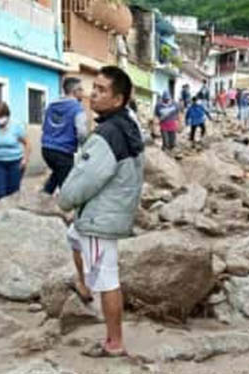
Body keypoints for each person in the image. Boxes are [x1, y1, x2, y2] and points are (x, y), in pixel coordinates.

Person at [58, 66, 144, 357]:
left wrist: (64, 200)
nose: (93, 93)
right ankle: (83, 285)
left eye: (102, 90)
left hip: (100, 218)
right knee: (73, 237)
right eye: (93, 86)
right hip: (110, 210)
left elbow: (87, 178)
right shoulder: (128, 125)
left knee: (107, 280)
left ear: (118, 100)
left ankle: (114, 343)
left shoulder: (107, 134)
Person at [41, 77, 87, 195]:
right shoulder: (77, 108)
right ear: (75, 91)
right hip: (63, 151)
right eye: (81, 90)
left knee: (57, 173)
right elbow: (82, 132)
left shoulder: (51, 106)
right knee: (66, 185)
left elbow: (44, 126)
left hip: (46, 149)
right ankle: (66, 209)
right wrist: (84, 147)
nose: (83, 93)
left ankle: (44, 195)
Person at [0, 101, 31, 201]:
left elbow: (27, 144)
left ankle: (13, 215)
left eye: (1, 116)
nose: (0, 120)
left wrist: (25, 159)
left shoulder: (16, 126)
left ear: (7, 115)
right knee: (0, 193)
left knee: (13, 193)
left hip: (15, 163)